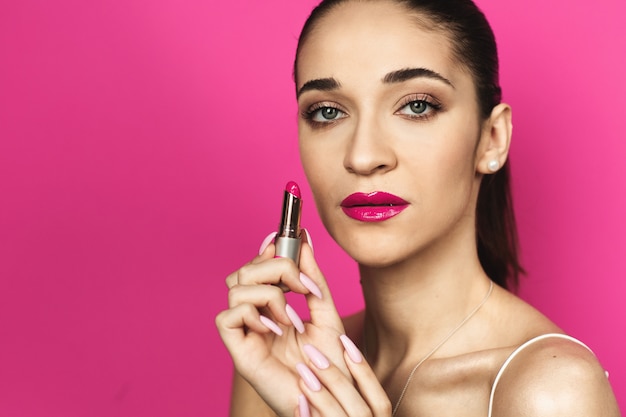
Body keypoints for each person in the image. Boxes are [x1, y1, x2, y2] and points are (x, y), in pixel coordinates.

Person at [215, 0, 621, 416]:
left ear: (493, 138)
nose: (363, 155)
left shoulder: (549, 390)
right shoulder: (291, 358)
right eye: (328, 111)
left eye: (417, 106)